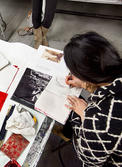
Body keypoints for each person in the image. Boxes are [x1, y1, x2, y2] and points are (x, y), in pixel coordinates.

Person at [63, 32, 122, 166]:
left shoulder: (98, 125)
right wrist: (84, 82)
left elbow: (89, 162)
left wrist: (85, 116)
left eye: (73, 72)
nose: (71, 74)